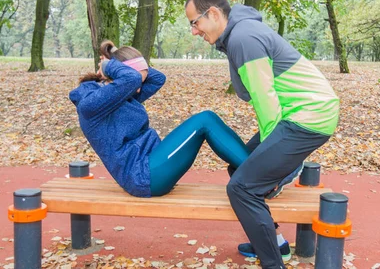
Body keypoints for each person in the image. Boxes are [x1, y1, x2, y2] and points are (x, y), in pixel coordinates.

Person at [185, 0, 340, 268]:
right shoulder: (239, 34)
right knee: (239, 166)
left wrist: (270, 157)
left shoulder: (243, 38)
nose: (194, 31)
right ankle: (275, 244)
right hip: (298, 114)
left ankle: (273, 263)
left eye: (195, 22)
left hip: (308, 117)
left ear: (215, 14)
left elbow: (267, 103)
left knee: (241, 188)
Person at [69, 41, 250, 197]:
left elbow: (158, 79)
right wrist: (109, 65)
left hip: (151, 164)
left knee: (207, 119)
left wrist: (119, 59)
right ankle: (259, 176)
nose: (139, 89)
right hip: (143, 176)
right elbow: (132, 78)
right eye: (137, 82)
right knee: (205, 120)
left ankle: (255, 174)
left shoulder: (121, 95)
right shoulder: (91, 105)